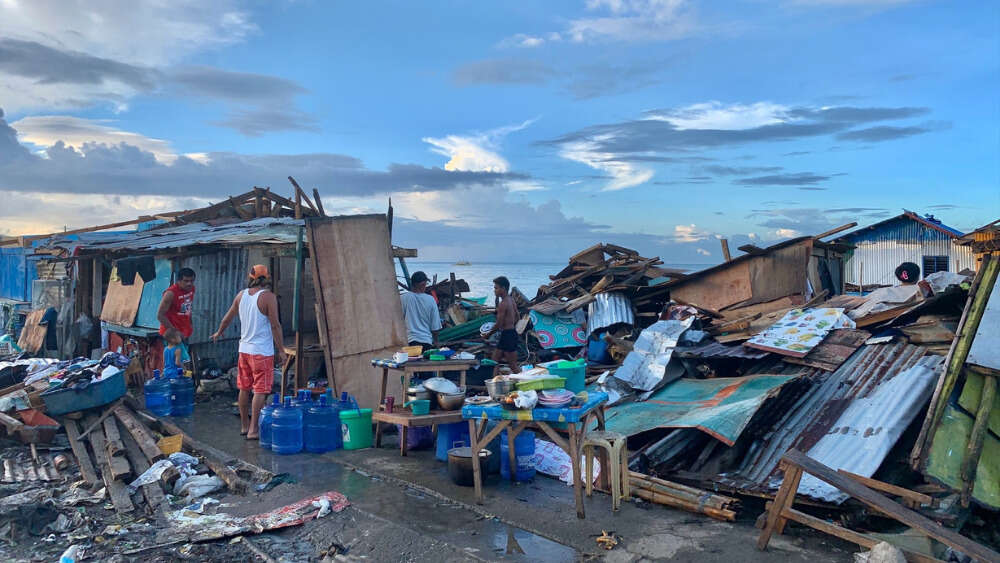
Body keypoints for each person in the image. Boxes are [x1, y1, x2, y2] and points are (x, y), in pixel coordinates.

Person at [210, 265, 285, 440]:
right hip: (262, 352)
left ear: (250, 277)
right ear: (267, 278)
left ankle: (244, 426)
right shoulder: (268, 297)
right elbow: (275, 325)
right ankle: (253, 430)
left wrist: (218, 332)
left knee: (244, 388)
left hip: (244, 350)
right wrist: (281, 350)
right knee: (260, 390)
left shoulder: (241, 295)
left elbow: (227, 317)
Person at [400, 271, 441, 352]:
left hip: (409, 342)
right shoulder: (430, 300)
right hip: (426, 342)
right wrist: (436, 342)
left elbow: (399, 320)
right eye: (425, 284)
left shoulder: (403, 298)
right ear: (422, 284)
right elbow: (435, 327)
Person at [486, 276, 520, 373]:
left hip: (507, 335)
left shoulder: (503, 303)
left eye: (496, 288)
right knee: (494, 360)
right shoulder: (511, 300)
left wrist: (488, 334)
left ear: (503, 288)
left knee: (513, 366)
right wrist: (510, 325)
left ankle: (528, 382)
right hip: (511, 333)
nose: (494, 290)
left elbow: (499, 324)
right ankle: (495, 383)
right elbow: (517, 316)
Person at [158, 268, 196, 341]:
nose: (189, 284)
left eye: (192, 281)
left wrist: (190, 325)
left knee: (185, 352)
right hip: (171, 335)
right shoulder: (170, 293)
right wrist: (175, 332)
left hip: (185, 332)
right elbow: (160, 315)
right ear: (179, 281)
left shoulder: (192, 289)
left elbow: (188, 307)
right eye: (186, 281)